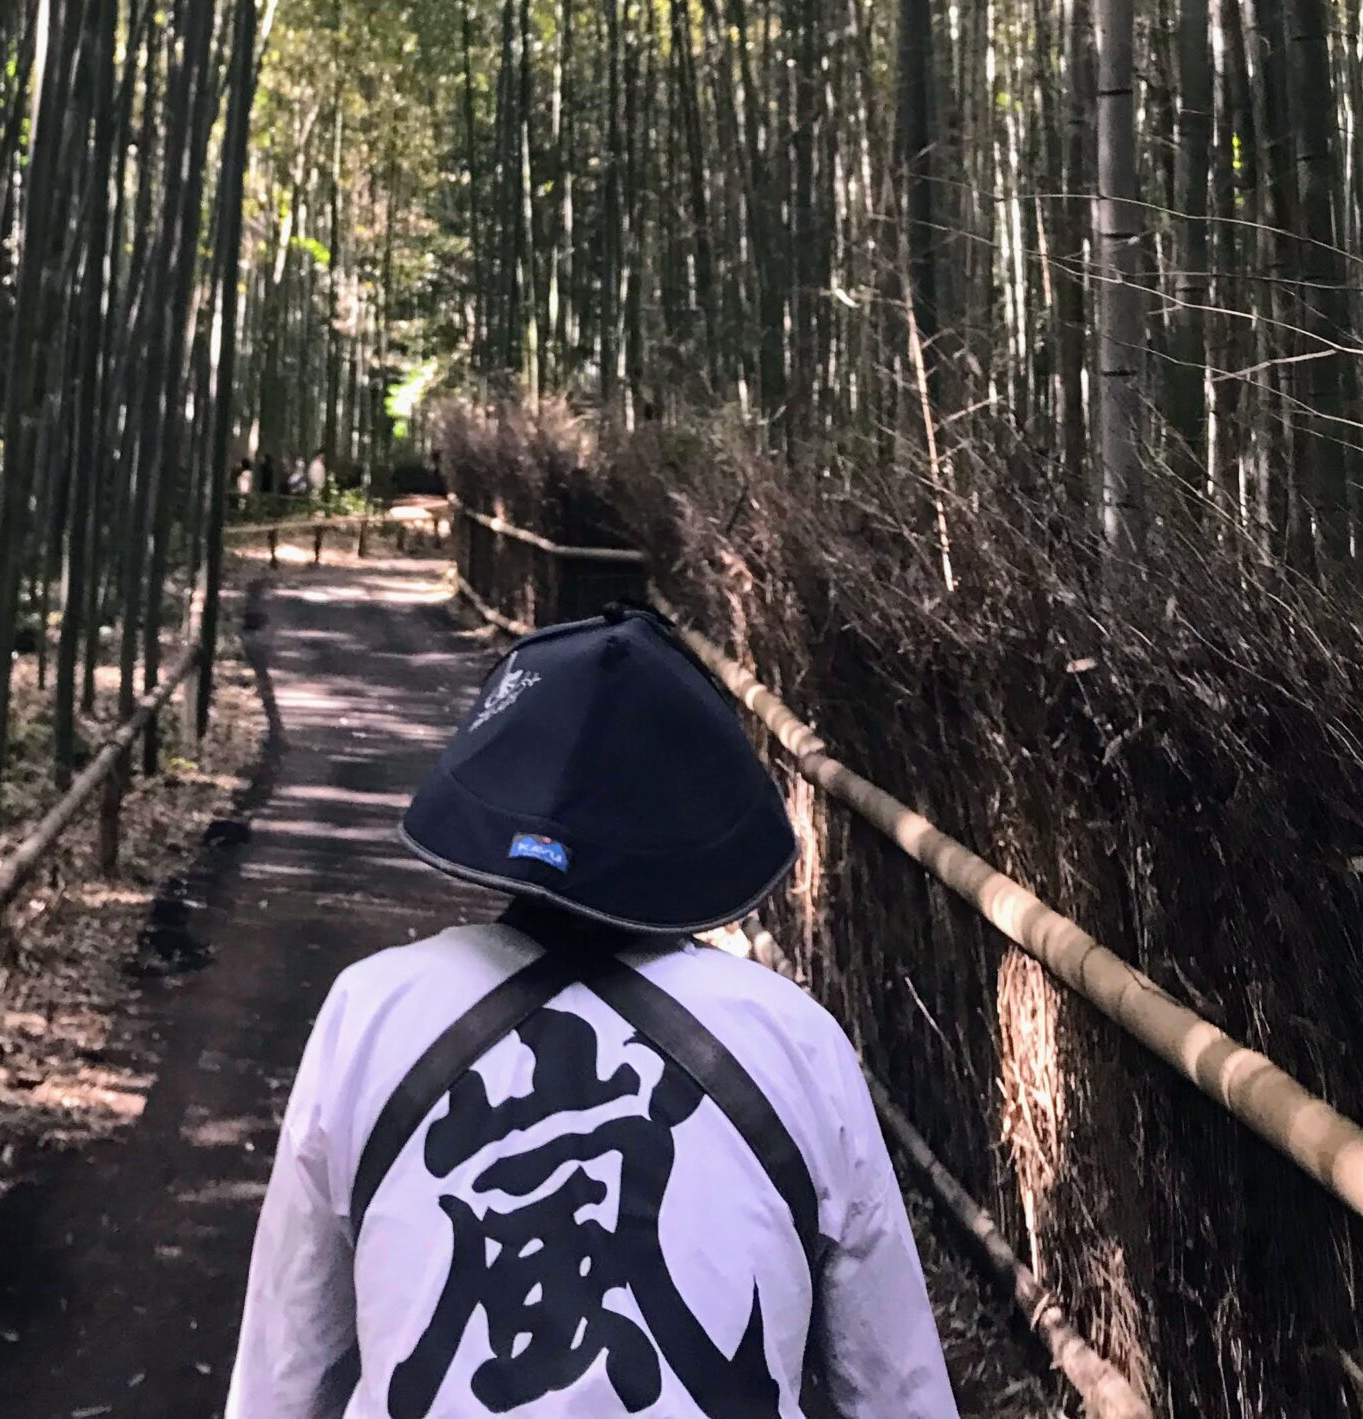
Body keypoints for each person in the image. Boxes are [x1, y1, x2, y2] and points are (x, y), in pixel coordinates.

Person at [225, 603, 959, 1419]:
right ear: (695, 828)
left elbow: (285, 1365)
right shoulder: (793, 1041)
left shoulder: (372, 1010)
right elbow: (897, 1386)